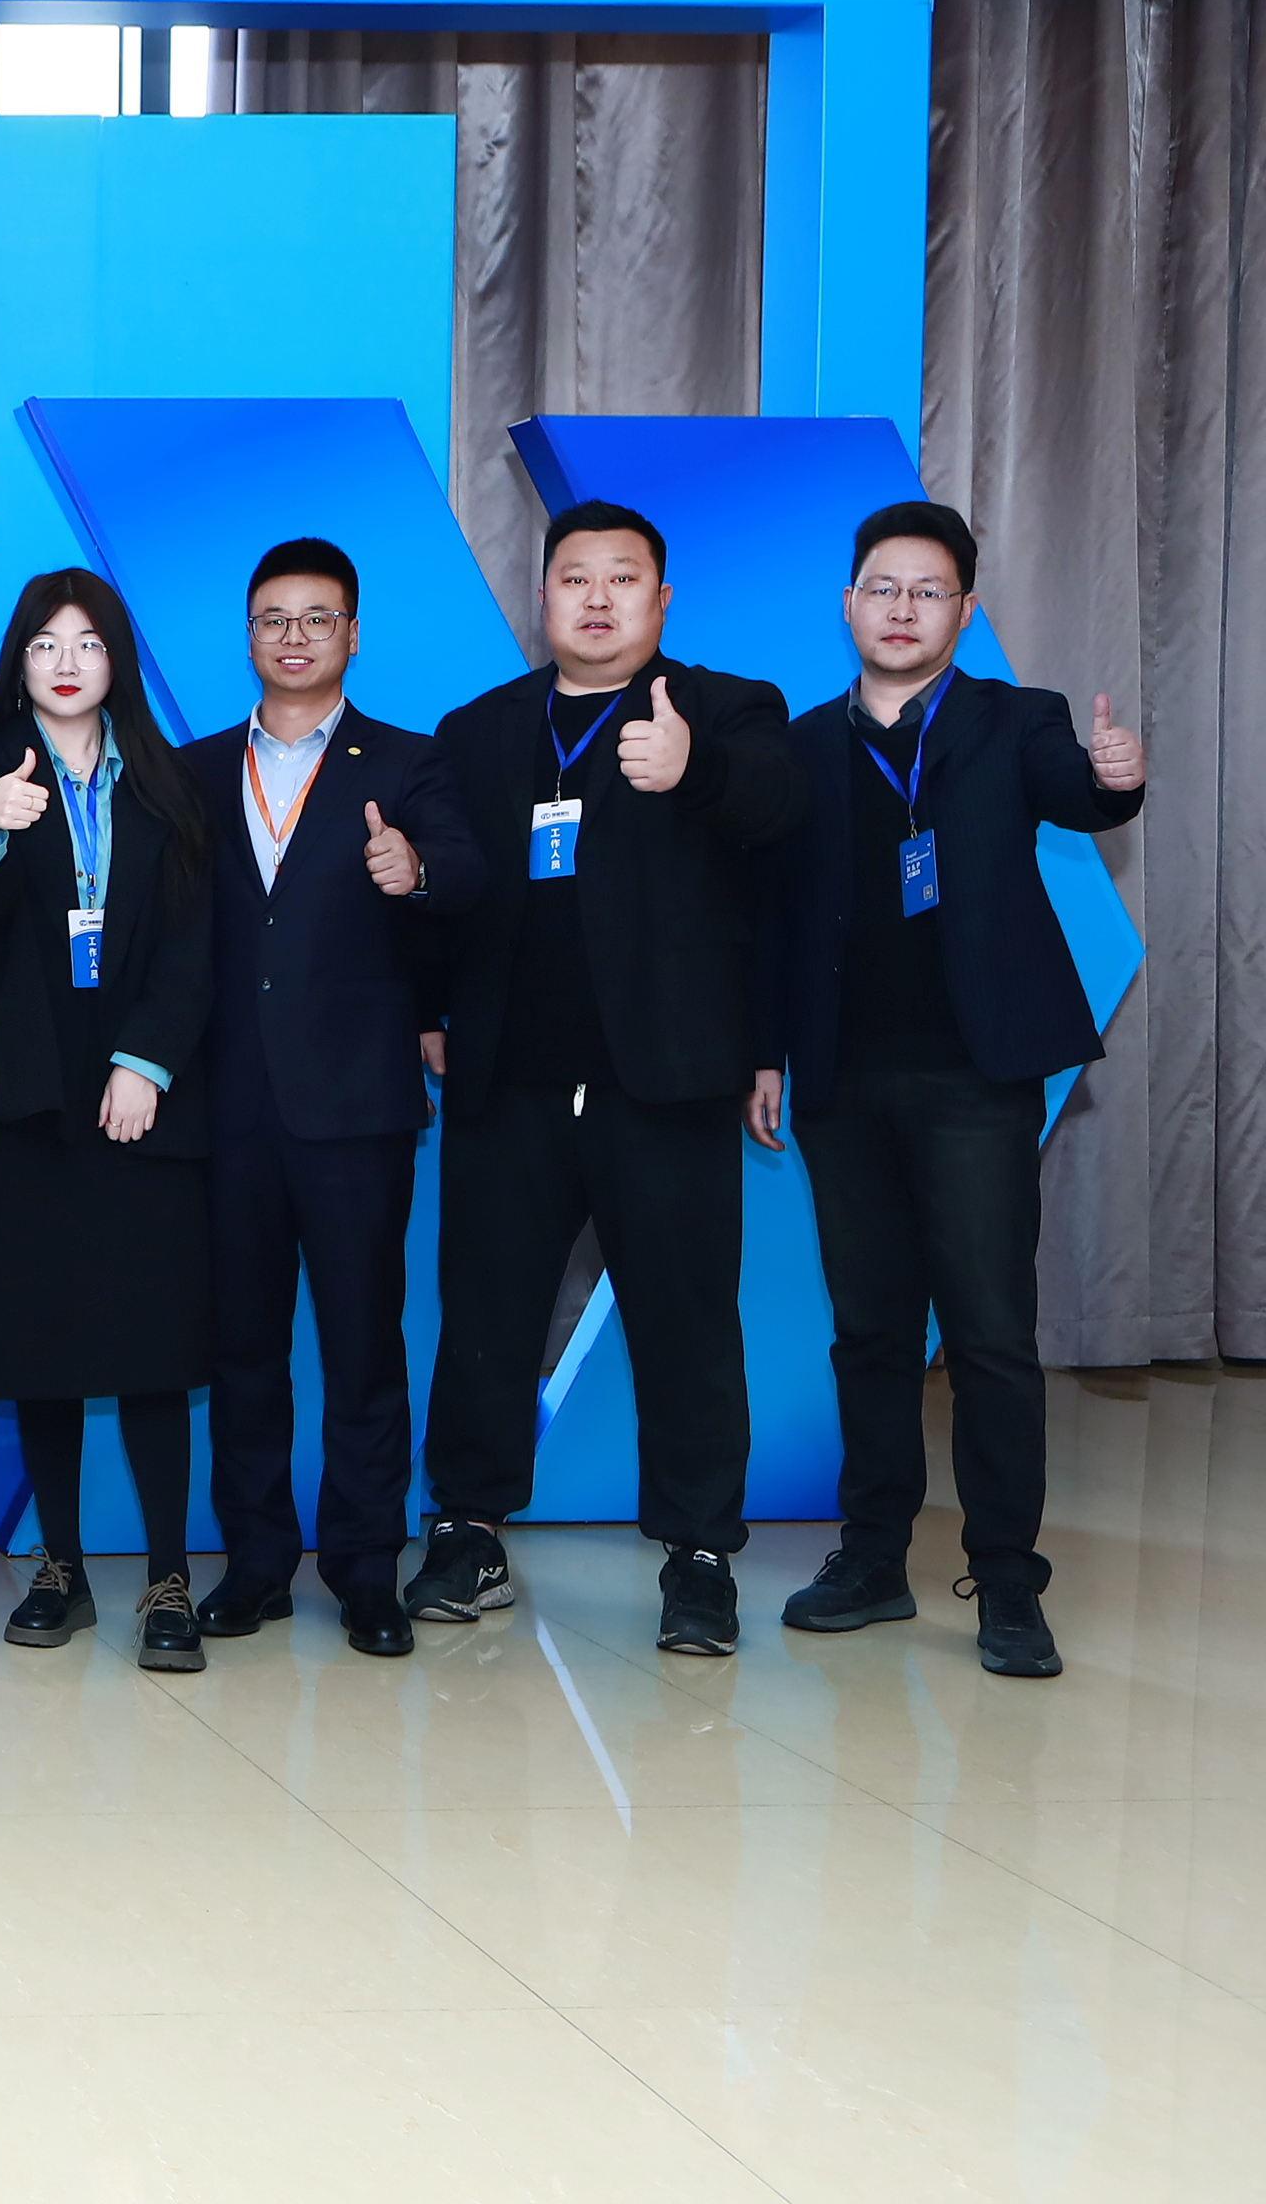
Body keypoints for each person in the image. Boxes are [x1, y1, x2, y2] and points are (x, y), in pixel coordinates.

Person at [752, 500, 1145, 1679]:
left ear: (962, 612)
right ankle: (871, 1557)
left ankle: (1007, 1578)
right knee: (868, 1331)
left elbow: (1078, 792)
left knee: (986, 1333)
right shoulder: (801, 744)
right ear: (847, 603)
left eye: (927, 591)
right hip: (840, 1076)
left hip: (973, 1076)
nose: (901, 608)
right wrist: (766, 1051)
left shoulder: (1011, 719)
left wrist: (1113, 778)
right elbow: (773, 918)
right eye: (882, 586)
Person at [416, 500, 799, 1657]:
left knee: (686, 1321)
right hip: (508, 1077)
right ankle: (467, 1528)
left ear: (659, 598)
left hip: (665, 1078)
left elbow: (777, 824)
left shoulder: (725, 708)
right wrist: (430, 1008)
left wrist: (693, 769)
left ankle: (698, 1555)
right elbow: (445, 886)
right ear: (541, 596)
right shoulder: (477, 728)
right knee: (485, 1314)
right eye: (572, 576)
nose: (594, 597)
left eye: (620, 577)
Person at [171, 541, 484, 1662]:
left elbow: (467, 873)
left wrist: (417, 871)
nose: (293, 636)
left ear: (352, 633)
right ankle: (255, 1562)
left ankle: (363, 1568)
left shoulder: (406, 761)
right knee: (241, 1349)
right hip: (224, 1106)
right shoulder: (194, 769)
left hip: (354, 1104)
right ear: (247, 635)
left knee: (361, 1345)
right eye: (273, 618)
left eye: (316, 618)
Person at [0, 568, 219, 1672]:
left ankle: (166, 1576)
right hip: (29, 1098)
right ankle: (59, 1568)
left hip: (144, 1104)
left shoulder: (166, 777)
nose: (64, 662)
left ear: (115, 660)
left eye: (86, 642)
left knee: (151, 1346)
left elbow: (195, 940)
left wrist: (146, 1063)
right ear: (18, 658)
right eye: (44, 642)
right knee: (40, 1341)